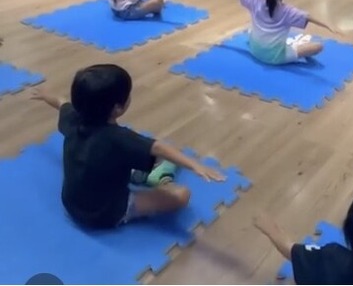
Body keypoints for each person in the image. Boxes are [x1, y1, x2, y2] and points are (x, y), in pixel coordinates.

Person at [30, 64, 225, 229]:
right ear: (118, 108)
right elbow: (158, 148)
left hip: (70, 203)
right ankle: (159, 180)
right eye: (128, 95)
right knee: (182, 194)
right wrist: (196, 165)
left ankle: (138, 173)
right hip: (104, 214)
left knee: (124, 156)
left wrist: (46, 95)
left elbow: (61, 102)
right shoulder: (119, 138)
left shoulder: (73, 118)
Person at [206, 0, 339, 64]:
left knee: (251, 29)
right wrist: (329, 26)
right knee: (318, 46)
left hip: (254, 49)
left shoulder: (254, 0)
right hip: (275, 58)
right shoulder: (288, 12)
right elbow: (309, 17)